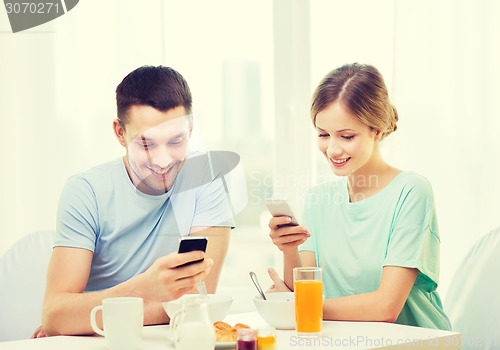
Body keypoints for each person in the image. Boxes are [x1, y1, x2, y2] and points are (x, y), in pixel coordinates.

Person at [39, 65, 234, 336]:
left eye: (175, 140)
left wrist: (88, 317)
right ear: (120, 133)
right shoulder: (86, 191)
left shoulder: (205, 180)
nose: (163, 161)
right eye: (146, 144)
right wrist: (145, 288)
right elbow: (55, 315)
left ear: (190, 129)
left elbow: (197, 304)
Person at [267, 63, 451, 330]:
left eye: (347, 136)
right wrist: (289, 249)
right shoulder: (320, 199)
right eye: (323, 134)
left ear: (376, 130)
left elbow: (386, 307)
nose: (332, 149)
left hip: (415, 343)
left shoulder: (411, 191)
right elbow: (303, 290)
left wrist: (297, 306)